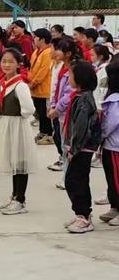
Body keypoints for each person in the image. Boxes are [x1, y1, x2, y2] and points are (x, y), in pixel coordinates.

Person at [0, 48, 36, 214]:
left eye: (11, 61)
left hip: (17, 125)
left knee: (20, 163)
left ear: (18, 64)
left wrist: (17, 117)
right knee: (12, 162)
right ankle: (14, 195)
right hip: (3, 124)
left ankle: (20, 199)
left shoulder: (20, 85)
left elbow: (29, 109)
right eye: (4, 61)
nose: (7, 65)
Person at [63, 61, 101, 233]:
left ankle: (84, 216)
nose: (68, 78)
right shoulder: (79, 96)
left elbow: (81, 128)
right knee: (76, 180)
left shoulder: (84, 101)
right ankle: (82, 213)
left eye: (70, 75)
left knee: (75, 181)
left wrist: (74, 149)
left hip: (82, 147)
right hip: (79, 146)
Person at [47, 38, 82, 189]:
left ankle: (69, 178)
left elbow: (71, 93)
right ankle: (67, 176)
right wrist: (53, 105)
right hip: (61, 112)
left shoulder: (75, 69)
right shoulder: (62, 67)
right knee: (64, 145)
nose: (56, 51)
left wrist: (58, 108)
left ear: (68, 53)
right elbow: (57, 88)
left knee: (69, 147)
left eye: (59, 49)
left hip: (69, 113)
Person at [99, 63, 119, 226]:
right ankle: (114, 207)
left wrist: (100, 134)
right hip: (110, 146)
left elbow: (110, 123)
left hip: (115, 147)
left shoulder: (115, 100)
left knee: (116, 179)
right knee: (111, 179)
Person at [29, 28, 53, 145]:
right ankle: (42, 132)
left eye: (35, 37)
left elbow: (43, 71)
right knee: (40, 112)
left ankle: (48, 134)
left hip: (44, 89)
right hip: (35, 89)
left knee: (45, 113)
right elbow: (32, 69)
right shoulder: (36, 52)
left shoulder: (48, 53)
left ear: (42, 39)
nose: (33, 39)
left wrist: (33, 82)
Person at [47, 38, 65, 172]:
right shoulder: (54, 64)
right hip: (53, 101)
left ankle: (64, 158)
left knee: (60, 134)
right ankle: (61, 156)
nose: (50, 50)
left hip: (61, 105)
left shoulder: (65, 67)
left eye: (52, 47)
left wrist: (57, 106)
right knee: (56, 133)